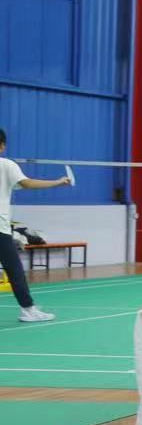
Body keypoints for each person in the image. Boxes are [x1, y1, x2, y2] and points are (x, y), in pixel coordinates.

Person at [0, 128, 75, 322]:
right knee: (14, 269)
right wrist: (58, 182)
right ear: (3, 146)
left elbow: (17, 184)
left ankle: (29, 308)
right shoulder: (6, 164)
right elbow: (27, 183)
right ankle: (28, 310)